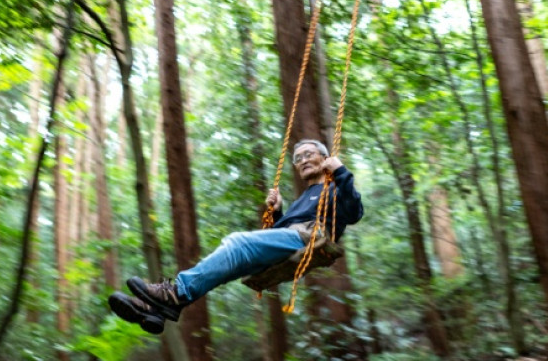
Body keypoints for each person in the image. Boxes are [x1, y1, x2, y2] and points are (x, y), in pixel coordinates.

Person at [108, 139, 364, 334]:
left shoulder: (335, 188)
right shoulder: (303, 199)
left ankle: (174, 292)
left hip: (311, 238)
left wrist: (341, 171)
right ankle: (160, 310)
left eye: (309, 154)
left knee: (237, 242)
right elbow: (282, 232)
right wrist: (277, 213)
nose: (303, 160)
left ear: (325, 158)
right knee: (227, 265)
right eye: (298, 158)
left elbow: (354, 213)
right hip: (292, 240)